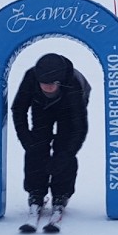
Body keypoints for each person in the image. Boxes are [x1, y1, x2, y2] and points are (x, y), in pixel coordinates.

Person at [11, 53, 91, 220]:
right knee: (37, 145)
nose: (47, 87)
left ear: (59, 82)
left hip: (69, 109)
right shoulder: (31, 78)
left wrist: (66, 154)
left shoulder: (74, 85)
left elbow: (79, 128)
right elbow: (18, 109)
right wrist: (26, 140)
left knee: (64, 147)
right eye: (43, 84)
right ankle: (35, 192)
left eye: (51, 85)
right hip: (41, 107)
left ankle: (61, 194)